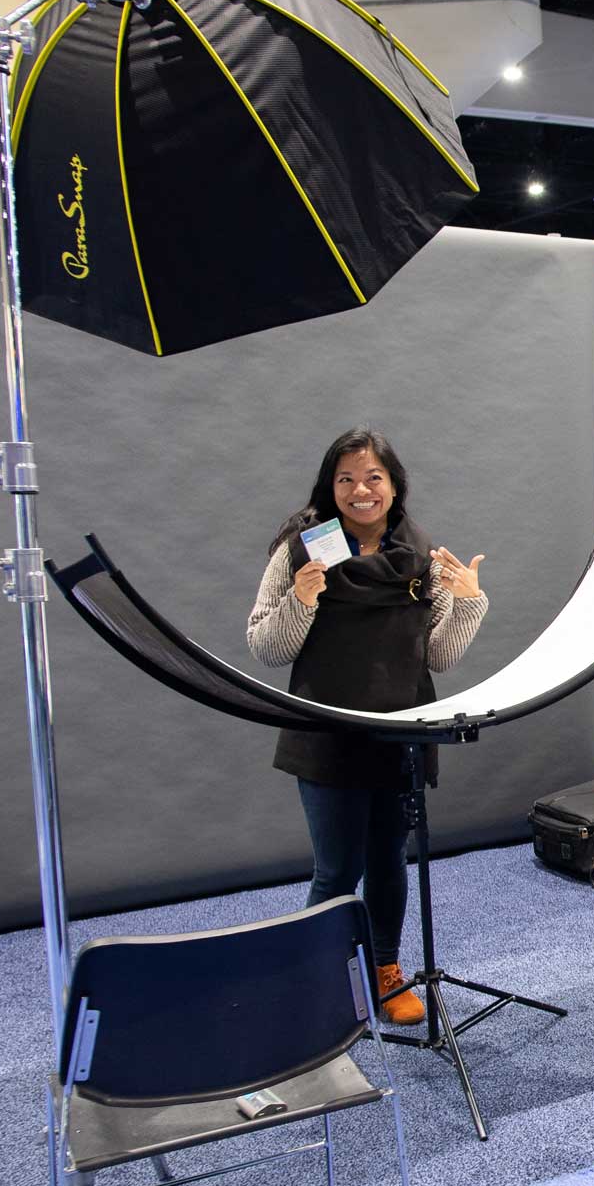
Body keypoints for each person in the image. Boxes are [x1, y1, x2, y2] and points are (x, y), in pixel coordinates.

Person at [246, 429, 490, 1028]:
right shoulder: (301, 549)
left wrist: (469, 602)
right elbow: (264, 646)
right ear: (330, 488)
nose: (361, 491)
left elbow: (438, 656)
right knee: (336, 870)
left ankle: (385, 970)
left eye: (374, 478)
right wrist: (300, 601)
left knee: (387, 861)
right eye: (347, 479)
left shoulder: (421, 553)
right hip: (327, 734)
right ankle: (320, 975)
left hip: (399, 735)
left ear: (394, 485)